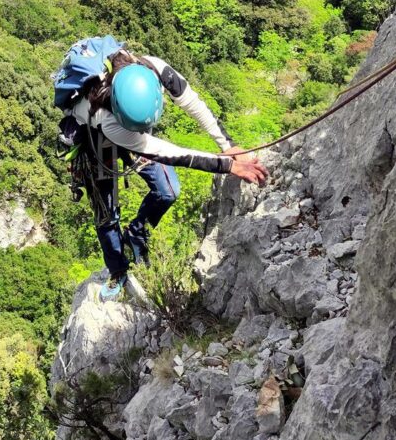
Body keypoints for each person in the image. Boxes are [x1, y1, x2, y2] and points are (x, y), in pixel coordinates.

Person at [66, 48, 268, 302]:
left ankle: (137, 232)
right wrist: (227, 165)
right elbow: (169, 153)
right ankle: (118, 270)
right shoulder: (103, 116)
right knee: (106, 214)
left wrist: (227, 146)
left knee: (167, 190)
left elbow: (193, 104)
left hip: (132, 130)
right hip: (95, 144)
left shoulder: (153, 68)